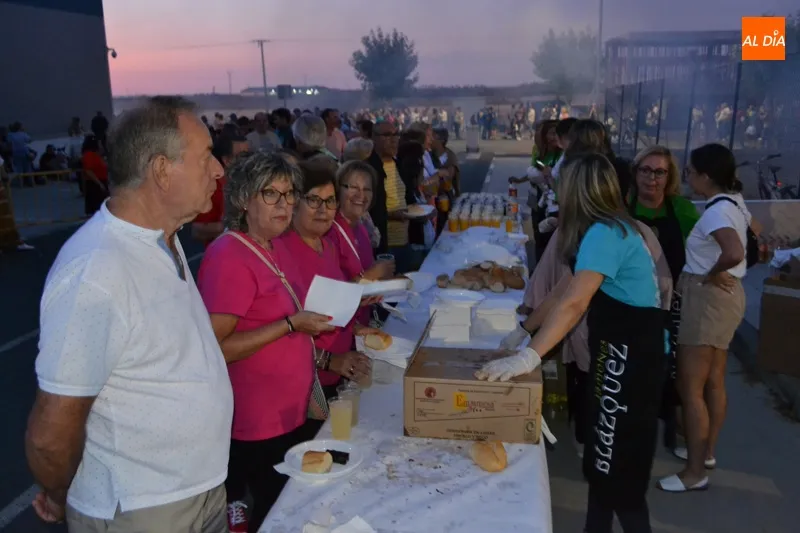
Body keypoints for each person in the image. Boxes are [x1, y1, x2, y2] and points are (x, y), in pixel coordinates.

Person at [25, 96, 233, 532]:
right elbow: (50, 435)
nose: (218, 170)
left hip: (197, 490)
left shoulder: (162, 239)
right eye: (205, 156)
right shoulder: (97, 270)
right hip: (143, 510)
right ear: (161, 171)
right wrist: (63, 493)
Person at [481, 152, 672, 533]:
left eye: (560, 186)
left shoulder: (606, 233)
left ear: (576, 191)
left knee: (621, 478)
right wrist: (525, 329)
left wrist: (529, 358)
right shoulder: (603, 229)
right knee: (603, 466)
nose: (555, 192)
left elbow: (574, 303)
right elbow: (562, 290)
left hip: (631, 365)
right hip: (617, 357)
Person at [197, 152, 334, 533]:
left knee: (290, 505)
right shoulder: (229, 255)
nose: (285, 204)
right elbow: (215, 347)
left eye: (289, 194)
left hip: (288, 412)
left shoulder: (273, 245)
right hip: (257, 422)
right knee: (275, 513)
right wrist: (290, 324)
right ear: (243, 198)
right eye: (270, 194)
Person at [658, 143, 754, 494]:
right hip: (727, 299)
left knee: (690, 387)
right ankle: (707, 452)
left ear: (706, 176)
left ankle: (694, 471)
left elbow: (733, 252)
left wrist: (711, 272)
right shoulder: (734, 202)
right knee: (713, 380)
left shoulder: (715, 212)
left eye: (690, 172)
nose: (686, 177)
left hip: (707, 299)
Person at [276, 161, 374, 404]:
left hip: (337, 373)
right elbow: (280, 333)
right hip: (306, 385)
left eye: (330, 201)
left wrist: (358, 329)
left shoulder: (327, 245)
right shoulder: (280, 251)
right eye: (314, 200)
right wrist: (329, 360)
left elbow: (331, 310)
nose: (324, 209)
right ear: (294, 203)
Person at [628, 145, 700, 450]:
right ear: (635, 173)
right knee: (634, 371)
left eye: (660, 172)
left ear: (669, 177)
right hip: (631, 303)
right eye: (645, 170)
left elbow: (705, 250)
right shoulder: (623, 207)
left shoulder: (682, 211)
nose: (652, 178)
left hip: (673, 303)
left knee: (673, 372)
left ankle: (678, 434)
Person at [329, 160, 395, 325]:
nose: (361, 195)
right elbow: (329, 298)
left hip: (363, 322)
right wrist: (372, 274)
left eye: (367, 189)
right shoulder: (330, 232)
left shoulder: (360, 226)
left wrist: (382, 278)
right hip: (342, 331)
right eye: (353, 188)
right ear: (338, 190)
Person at [192, 133, 249, 248]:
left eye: (249, 155)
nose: (249, 161)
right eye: (242, 157)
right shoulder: (213, 188)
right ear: (227, 160)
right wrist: (236, 225)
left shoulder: (248, 181)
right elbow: (197, 230)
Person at [80, 135, 109, 216]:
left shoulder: (97, 155)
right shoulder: (89, 155)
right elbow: (88, 170)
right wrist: (99, 183)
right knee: (97, 208)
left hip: (101, 182)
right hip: (95, 184)